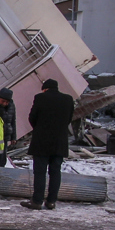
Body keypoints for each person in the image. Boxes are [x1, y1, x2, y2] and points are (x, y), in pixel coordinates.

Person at [22, 79, 76, 211]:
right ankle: (51, 201)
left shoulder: (40, 98)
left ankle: (37, 201)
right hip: (60, 142)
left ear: (45, 89)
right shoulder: (68, 99)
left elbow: (32, 117)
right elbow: (69, 118)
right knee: (55, 172)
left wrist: (39, 128)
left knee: (40, 172)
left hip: (42, 141)